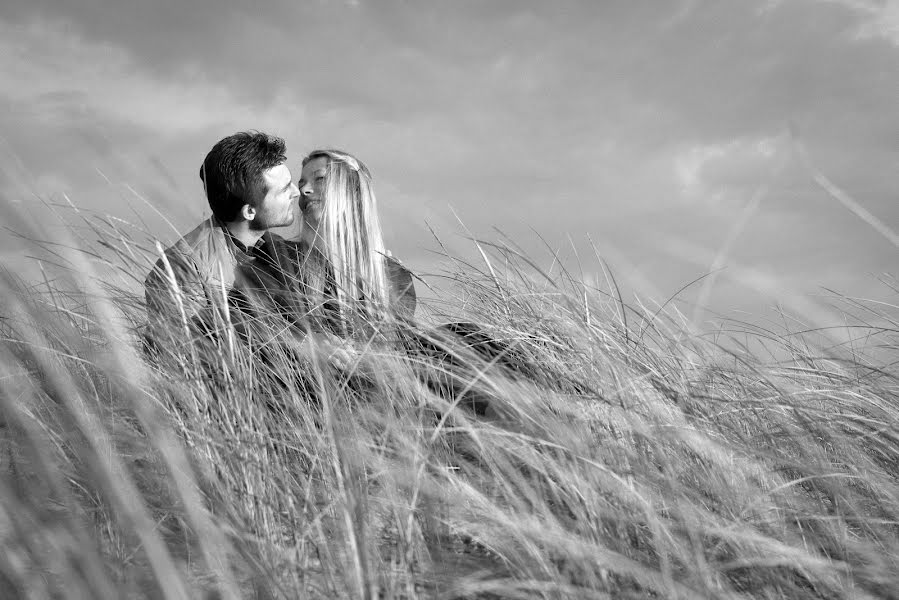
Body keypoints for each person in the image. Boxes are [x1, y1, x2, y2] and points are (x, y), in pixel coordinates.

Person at [144, 131, 299, 353]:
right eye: (285, 189)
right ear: (249, 211)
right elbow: (178, 356)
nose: (296, 192)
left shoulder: (279, 250)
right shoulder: (184, 266)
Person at [288, 149, 416, 348]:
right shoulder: (286, 260)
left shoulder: (393, 276)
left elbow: (395, 352)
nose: (304, 191)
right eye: (301, 184)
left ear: (351, 190)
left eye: (320, 179)